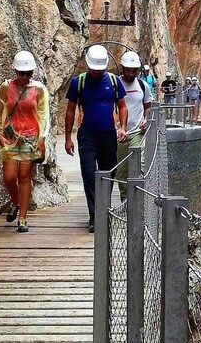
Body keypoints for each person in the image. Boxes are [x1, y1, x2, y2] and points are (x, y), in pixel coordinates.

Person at [64, 45, 128, 232]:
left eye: (100, 69)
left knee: (108, 174)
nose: (97, 72)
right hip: (87, 136)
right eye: (94, 69)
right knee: (89, 174)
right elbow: (70, 110)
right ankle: (95, 217)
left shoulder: (114, 81)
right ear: (88, 65)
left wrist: (122, 127)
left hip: (108, 134)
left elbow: (122, 106)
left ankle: (103, 209)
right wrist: (68, 138)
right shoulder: (79, 82)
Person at [0, 51, 49, 233]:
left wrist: (42, 139)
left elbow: (44, 114)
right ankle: (16, 203)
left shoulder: (39, 89)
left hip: (30, 137)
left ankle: (23, 218)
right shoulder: (6, 87)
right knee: (9, 177)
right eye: (21, 73)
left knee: (24, 176)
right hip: (10, 136)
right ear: (15, 72)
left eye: (28, 73)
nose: (24, 77)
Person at [113, 51, 152, 200]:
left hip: (137, 132)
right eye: (128, 70)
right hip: (119, 134)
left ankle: (137, 198)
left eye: (134, 70)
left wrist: (146, 119)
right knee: (122, 170)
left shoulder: (142, 85)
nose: (130, 73)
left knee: (138, 165)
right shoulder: (115, 83)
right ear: (123, 68)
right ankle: (125, 200)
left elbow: (147, 105)